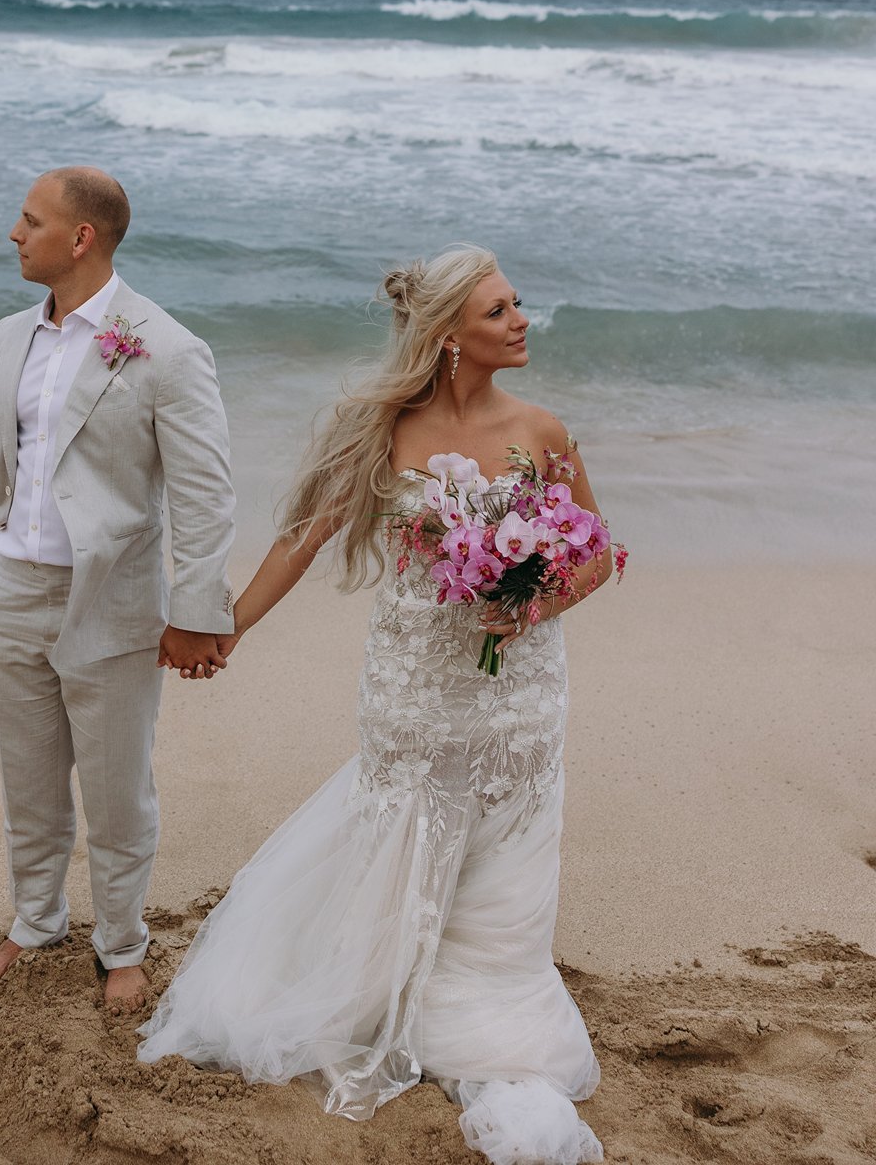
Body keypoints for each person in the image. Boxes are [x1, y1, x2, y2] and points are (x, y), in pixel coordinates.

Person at [139, 245, 612, 1164]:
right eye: (498, 312)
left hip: (522, 697)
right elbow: (298, 542)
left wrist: (532, 604)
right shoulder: (381, 437)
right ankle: (382, 990)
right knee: (407, 829)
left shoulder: (545, 433)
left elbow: (594, 553)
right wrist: (223, 628)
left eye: (519, 305)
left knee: (512, 840)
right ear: (445, 338)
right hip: (416, 692)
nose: (520, 321)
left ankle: (491, 1003)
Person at [0, 166, 235, 1012]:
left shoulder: (167, 347)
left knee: (118, 791)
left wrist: (195, 614)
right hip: (9, 589)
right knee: (28, 781)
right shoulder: (10, 335)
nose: (14, 233)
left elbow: (205, 495)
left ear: (81, 238)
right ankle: (35, 920)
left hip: (110, 602)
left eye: (29, 220)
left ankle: (122, 943)